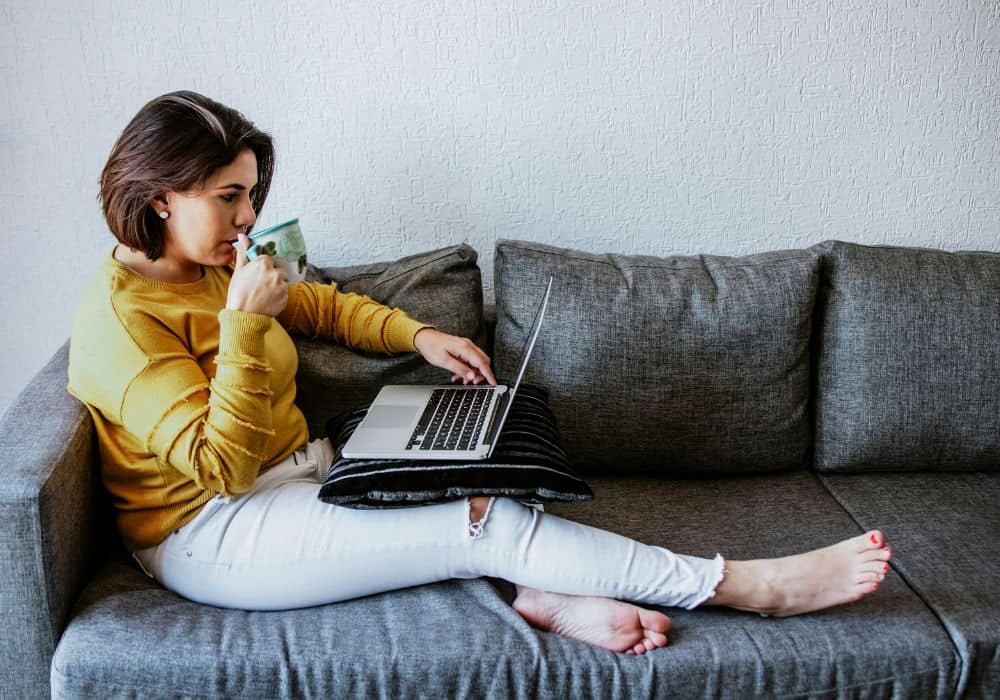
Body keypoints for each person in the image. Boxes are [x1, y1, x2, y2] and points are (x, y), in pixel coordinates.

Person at [68, 91, 893, 657]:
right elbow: (222, 466)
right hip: (212, 529)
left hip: (304, 471)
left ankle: (547, 597)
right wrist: (245, 325)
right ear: (163, 195)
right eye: (229, 196)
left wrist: (418, 332)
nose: (249, 219)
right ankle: (740, 585)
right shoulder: (120, 325)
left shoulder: (212, 261)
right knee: (481, 517)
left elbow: (317, 305)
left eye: (251, 194)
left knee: (495, 449)